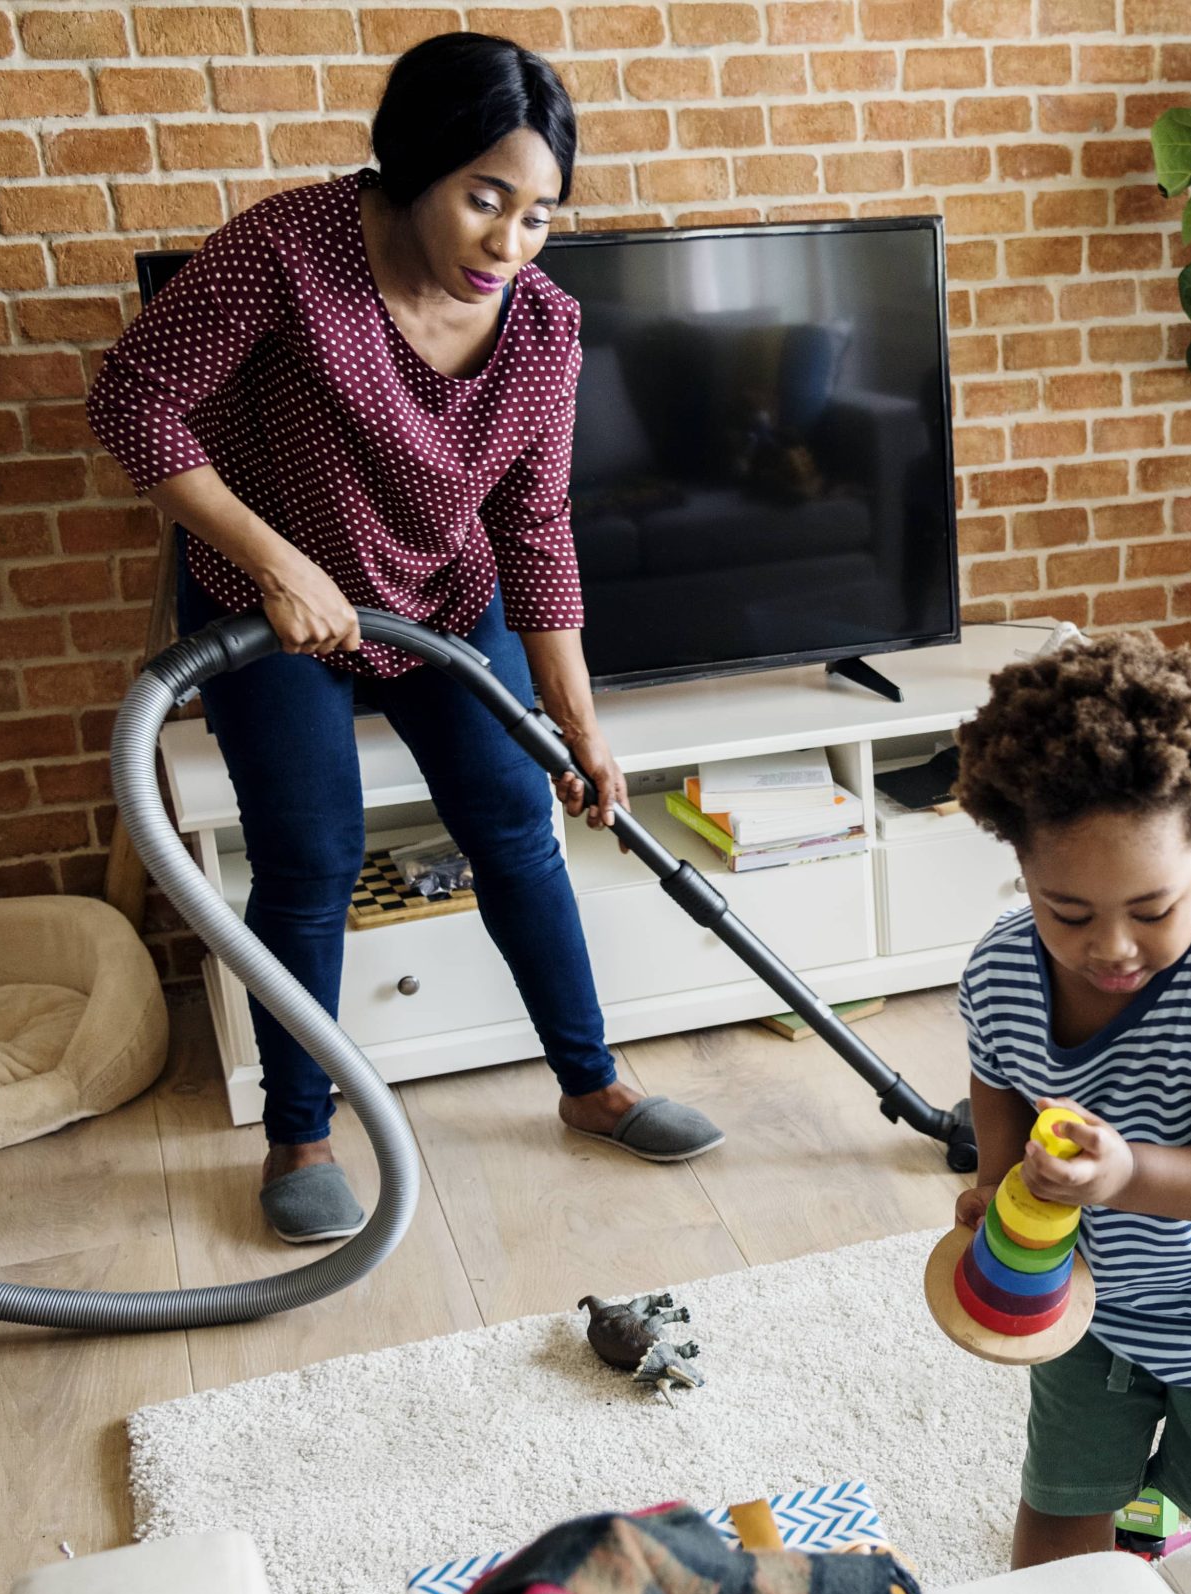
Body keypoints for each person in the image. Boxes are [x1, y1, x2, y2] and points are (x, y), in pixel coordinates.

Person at [85, 34, 721, 1244]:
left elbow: (535, 526)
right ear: (413, 166)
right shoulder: (290, 251)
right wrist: (275, 561)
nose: (508, 241)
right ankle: (300, 1132)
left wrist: (578, 729)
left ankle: (591, 1083)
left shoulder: (540, 327)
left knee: (513, 824)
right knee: (309, 859)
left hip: (438, 597)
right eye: (485, 198)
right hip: (271, 606)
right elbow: (133, 395)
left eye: (538, 214)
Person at [946, 634, 1191, 1567]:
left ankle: (1168, 1539)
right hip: (1087, 1307)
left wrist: (1126, 1172)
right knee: (1061, 1510)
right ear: (1019, 863)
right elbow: (999, 1074)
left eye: (1153, 908)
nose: (1113, 947)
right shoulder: (1002, 966)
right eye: (1069, 913)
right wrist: (999, 1177)